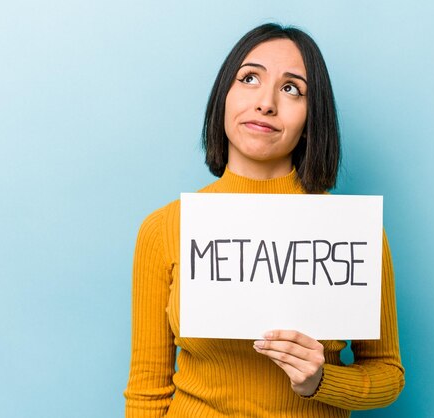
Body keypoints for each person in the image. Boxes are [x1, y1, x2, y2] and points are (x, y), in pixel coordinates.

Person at [124, 23, 405, 417]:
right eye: (250, 78)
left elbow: (387, 374)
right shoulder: (165, 228)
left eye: (292, 88)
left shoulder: (353, 234)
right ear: (224, 96)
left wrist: (320, 381)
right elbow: (146, 392)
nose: (266, 102)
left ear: (312, 119)